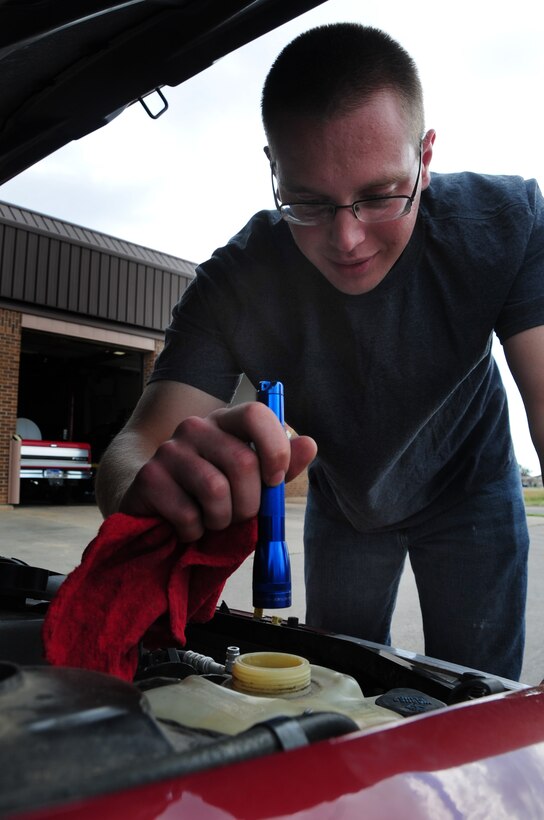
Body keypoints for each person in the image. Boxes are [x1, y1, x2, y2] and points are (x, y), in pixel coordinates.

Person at [95, 23, 544, 681]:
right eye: (307, 202)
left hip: (470, 487)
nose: (348, 238)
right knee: (336, 685)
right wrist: (160, 482)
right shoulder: (236, 283)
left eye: (381, 195)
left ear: (425, 155)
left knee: (475, 704)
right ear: (274, 168)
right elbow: (133, 448)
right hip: (344, 500)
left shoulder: (506, 224)